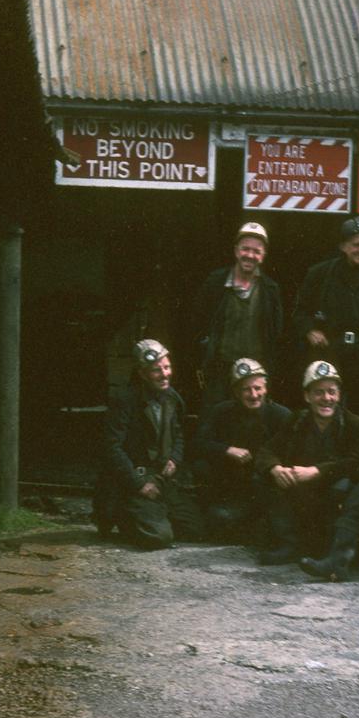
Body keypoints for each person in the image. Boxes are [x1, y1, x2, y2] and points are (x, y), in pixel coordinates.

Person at [254, 360, 359, 577]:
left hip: (333, 500)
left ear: (339, 395)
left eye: (332, 392)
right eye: (319, 392)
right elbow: (266, 450)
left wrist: (317, 471)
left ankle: (335, 555)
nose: (326, 398)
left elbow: (357, 463)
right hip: (303, 498)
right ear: (307, 396)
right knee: (264, 477)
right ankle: (289, 544)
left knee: (353, 487)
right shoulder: (297, 420)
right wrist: (275, 468)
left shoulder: (356, 425)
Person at [96, 339, 204, 549]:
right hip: (136, 479)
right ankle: (122, 513)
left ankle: (152, 514)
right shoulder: (125, 401)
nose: (165, 374)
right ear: (142, 374)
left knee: (196, 529)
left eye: (167, 367)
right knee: (159, 537)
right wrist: (139, 484)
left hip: (162, 478)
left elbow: (179, 434)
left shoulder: (173, 399)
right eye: (156, 370)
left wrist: (174, 458)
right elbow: (112, 447)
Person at [292, 215, 359, 427]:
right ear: (343, 246)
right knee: (325, 415)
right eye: (356, 245)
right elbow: (299, 313)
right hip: (330, 357)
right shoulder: (320, 274)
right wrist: (310, 330)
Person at [190, 358, 291, 542]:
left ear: (266, 388)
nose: (253, 395)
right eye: (246, 389)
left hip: (265, 485)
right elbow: (198, 443)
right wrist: (226, 450)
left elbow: (291, 452)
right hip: (233, 488)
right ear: (236, 391)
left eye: (258, 388)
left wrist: (271, 466)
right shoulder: (221, 412)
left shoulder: (281, 415)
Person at [193, 222, 283, 409]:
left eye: (256, 251)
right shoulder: (215, 282)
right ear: (236, 251)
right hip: (220, 370)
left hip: (256, 371)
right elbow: (198, 321)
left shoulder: (270, 289)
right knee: (215, 414)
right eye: (245, 249)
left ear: (263, 255)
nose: (250, 255)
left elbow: (276, 332)